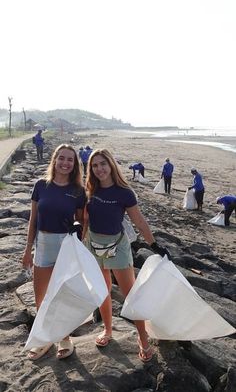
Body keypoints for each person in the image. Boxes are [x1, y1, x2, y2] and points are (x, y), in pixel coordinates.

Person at [84, 148, 169, 362]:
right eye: (95, 165)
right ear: (90, 169)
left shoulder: (124, 192)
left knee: (131, 294)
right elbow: (84, 220)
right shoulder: (90, 189)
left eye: (103, 163)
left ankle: (143, 338)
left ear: (111, 164)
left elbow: (139, 221)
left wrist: (154, 244)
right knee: (102, 291)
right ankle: (108, 330)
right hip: (94, 245)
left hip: (117, 247)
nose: (99, 168)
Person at [22, 144, 86, 360]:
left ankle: (64, 337)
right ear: (54, 160)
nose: (65, 163)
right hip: (43, 242)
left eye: (70, 160)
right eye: (61, 158)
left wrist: (78, 226)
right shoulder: (41, 185)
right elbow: (33, 220)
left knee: (62, 293)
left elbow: (81, 220)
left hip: (65, 244)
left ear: (74, 164)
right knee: (41, 296)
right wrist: (27, 250)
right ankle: (44, 338)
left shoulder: (78, 191)